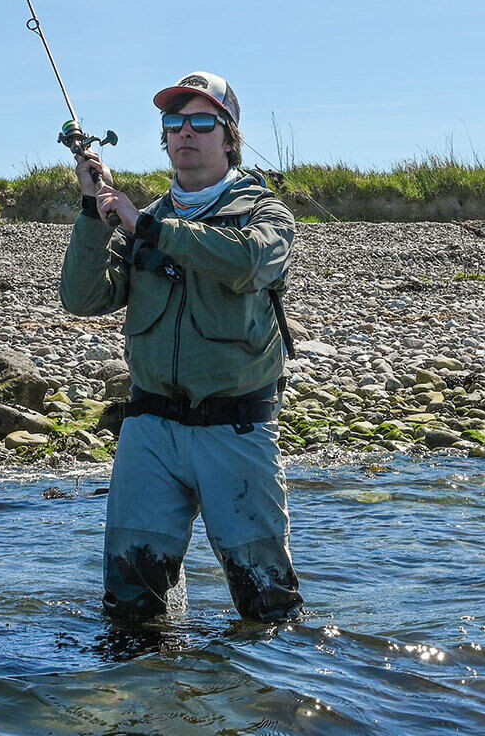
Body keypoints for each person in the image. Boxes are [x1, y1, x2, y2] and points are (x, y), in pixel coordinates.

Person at [59, 71, 303, 622]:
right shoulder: (143, 218)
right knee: (130, 606)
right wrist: (91, 212)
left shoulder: (266, 213)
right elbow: (82, 297)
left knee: (267, 608)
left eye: (200, 121)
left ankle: (270, 707)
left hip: (235, 429)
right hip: (149, 429)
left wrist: (147, 227)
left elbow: (246, 265)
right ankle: (143, 702)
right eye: (174, 122)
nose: (185, 132)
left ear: (228, 135)